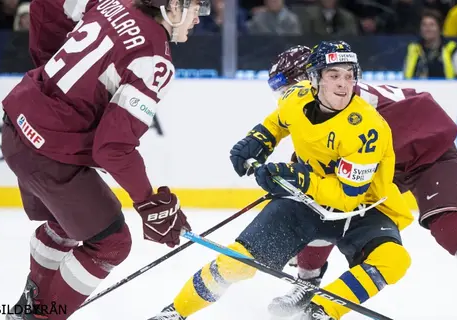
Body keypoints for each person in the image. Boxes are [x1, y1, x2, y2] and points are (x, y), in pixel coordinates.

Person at [266, 45, 457, 320]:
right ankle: (307, 284)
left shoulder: (340, 101)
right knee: (324, 204)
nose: (286, 99)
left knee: (448, 225)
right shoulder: (321, 104)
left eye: (289, 89)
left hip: (427, 152)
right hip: (385, 160)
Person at [148, 41, 414, 320]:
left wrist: (299, 177)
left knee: (393, 260)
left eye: (349, 75)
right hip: (305, 204)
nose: (343, 84)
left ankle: (319, 312)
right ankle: (175, 312)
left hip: (361, 210)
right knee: (235, 262)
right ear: (314, 78)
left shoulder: (368, 128)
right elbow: (279, 121)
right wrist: (259, 140)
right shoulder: (296, 97)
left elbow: (345, 197)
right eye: (334, 75)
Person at [1, 0, 209, 319]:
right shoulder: (154, 58)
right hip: (48, 151)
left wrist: (51, 81)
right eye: (195, 6)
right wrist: (149, 203)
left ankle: (28, 308)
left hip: (17, 127)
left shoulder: (113, 3)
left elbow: (44, 5)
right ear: (172, 6)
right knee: (112, 242)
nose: (199, 17)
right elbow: (112, 149)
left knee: (66, 224)